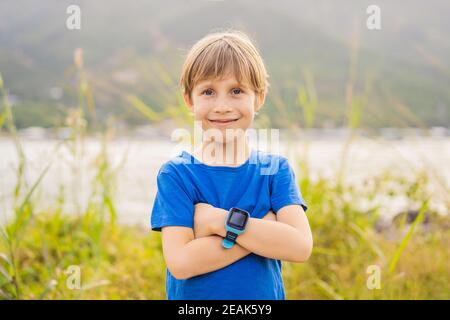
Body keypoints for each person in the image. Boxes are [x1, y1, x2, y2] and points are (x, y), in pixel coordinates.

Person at [151, 30, 313, 300]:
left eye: (236, 91)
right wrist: (263, 229)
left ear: (258, 97)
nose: (222, 106)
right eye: (208, 92)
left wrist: (217, 220)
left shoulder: (274, 171)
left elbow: (300, 247)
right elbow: (181, 263)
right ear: (189, 100)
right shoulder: (177, 175)